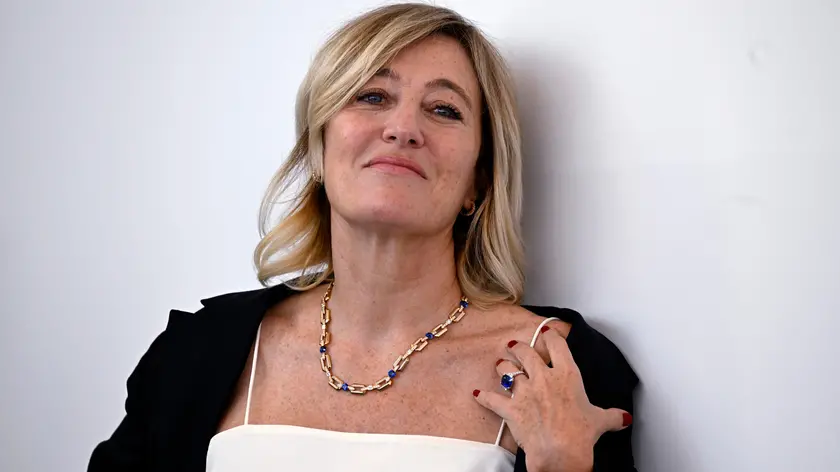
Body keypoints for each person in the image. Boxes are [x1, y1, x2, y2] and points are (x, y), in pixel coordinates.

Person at [88, 3, 638, 471]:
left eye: (443, 109)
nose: (403, 129)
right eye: (372, 96)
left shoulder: (559, 366)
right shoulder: (196, 352)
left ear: (478, 180)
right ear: (319, 147)